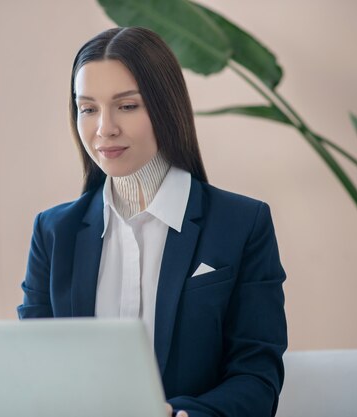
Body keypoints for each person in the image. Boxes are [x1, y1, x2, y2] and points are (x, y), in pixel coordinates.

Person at [17, 27, 287, 417]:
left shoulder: (243, 224)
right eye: (87, 108)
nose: (104, 128)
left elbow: (258, 377)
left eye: (127, 106)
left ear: (165, 107)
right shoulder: (53, 232)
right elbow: (34, 368)